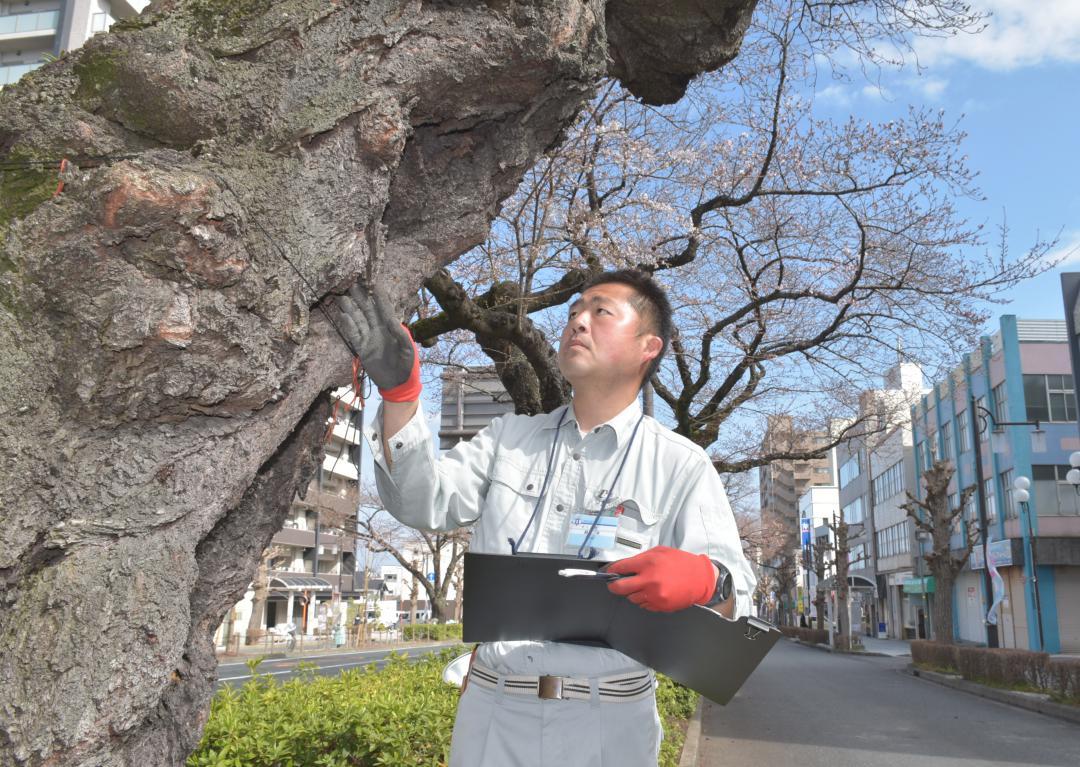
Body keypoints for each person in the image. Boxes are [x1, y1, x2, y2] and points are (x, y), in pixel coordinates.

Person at [338, 269, 756, 767]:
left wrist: (712, 581)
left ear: (649, 346)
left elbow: (740, 616)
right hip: (491, 710)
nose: (577, 321)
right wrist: (402, 398)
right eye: (574, 310)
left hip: (610, 723)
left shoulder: (681, 463)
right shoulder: (507, 437)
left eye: (600, 311)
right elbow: (420, 503)